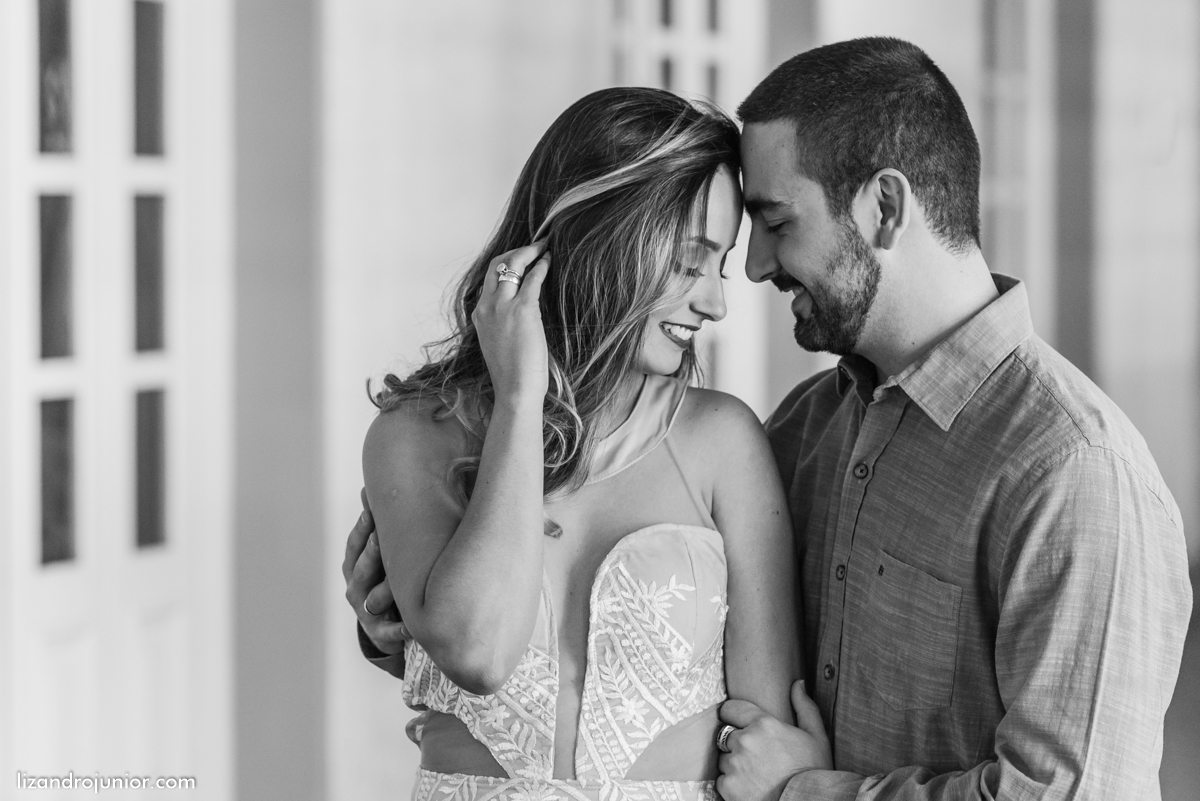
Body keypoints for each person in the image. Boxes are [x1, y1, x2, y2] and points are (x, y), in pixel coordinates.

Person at [350, 36, 1193, 801]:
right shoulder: (808, 430)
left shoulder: (1074, 469)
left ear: (885, 210)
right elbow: (574, 648)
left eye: (774, 224)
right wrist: (405, 621)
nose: (747, 274)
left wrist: (813, 793)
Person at [353, 87, 802, 800]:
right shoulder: (413, 436)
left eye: (720, 264)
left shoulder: (723, 443)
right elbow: (478, 651)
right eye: (690, 261)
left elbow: (768, 733)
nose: (715, 301)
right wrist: (520, 401)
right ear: (604, 236)